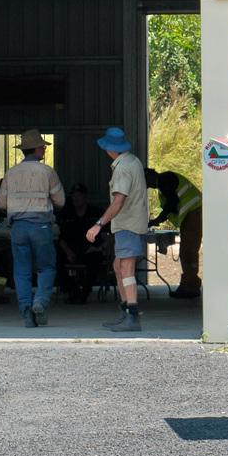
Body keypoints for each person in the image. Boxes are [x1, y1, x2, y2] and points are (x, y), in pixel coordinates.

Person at [0, 132, 66, 327]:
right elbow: (60, 200)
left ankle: (26, 311)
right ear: (36, 149)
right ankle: (40, 302)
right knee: (46, 267)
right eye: (43, 146)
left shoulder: (11, 173)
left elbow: (1, 202)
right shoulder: (47, 172)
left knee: (21, 271)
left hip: (18, 228)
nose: (44, 149)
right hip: (41, 226)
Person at [86, 126, 147, 332]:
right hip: (128, 223)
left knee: (126, 270)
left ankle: (132, 314)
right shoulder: (133, 161)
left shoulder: (122, 168)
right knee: (117, 266)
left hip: (128, 224)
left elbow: (119, 200)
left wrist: (98, 224)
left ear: (110, 149)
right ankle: (125, 310)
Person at [149, 166, 202, 299]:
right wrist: (158, 219)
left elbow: (172, 202)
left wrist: (157, 220)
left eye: (146, 183)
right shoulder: (164, 181)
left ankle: (190, 286)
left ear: (149, 177)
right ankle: (191, 284)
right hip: (191, 215)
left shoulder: (165, 179)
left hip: (193, 214)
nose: (147, 186)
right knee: (188, 252)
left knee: (187, 252)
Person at [55, 183, 103, 303]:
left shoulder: (96, 212)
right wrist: (68, 253)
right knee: (54, 259)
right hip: (70, 251)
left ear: (85, 197)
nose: (76, 198)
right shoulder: (66, 213)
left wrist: (100, 248)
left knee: (96, 259)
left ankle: (85, 292)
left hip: (91, 250)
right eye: (73, 196)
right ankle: (72, 290)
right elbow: (60, 237)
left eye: (79, 195)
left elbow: (109, 235)